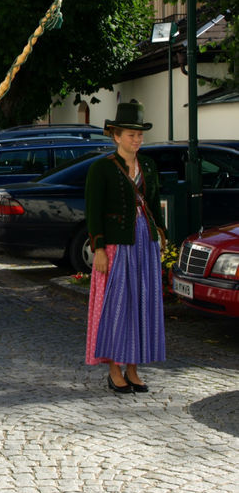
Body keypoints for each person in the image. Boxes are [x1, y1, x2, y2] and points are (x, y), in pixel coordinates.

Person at [85, 101, 166, 394]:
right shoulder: (101, 169)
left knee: (141, 305)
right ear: (116, 136)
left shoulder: (148, 166)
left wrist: (160, 235)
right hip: (118, 246)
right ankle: (114, 370)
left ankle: (134, 368)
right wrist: (99, 249)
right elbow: (93, 212)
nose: (136, 139)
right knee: (116, 307)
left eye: (140, 135)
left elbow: (154, 204)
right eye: (130, 134)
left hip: (144, 244)